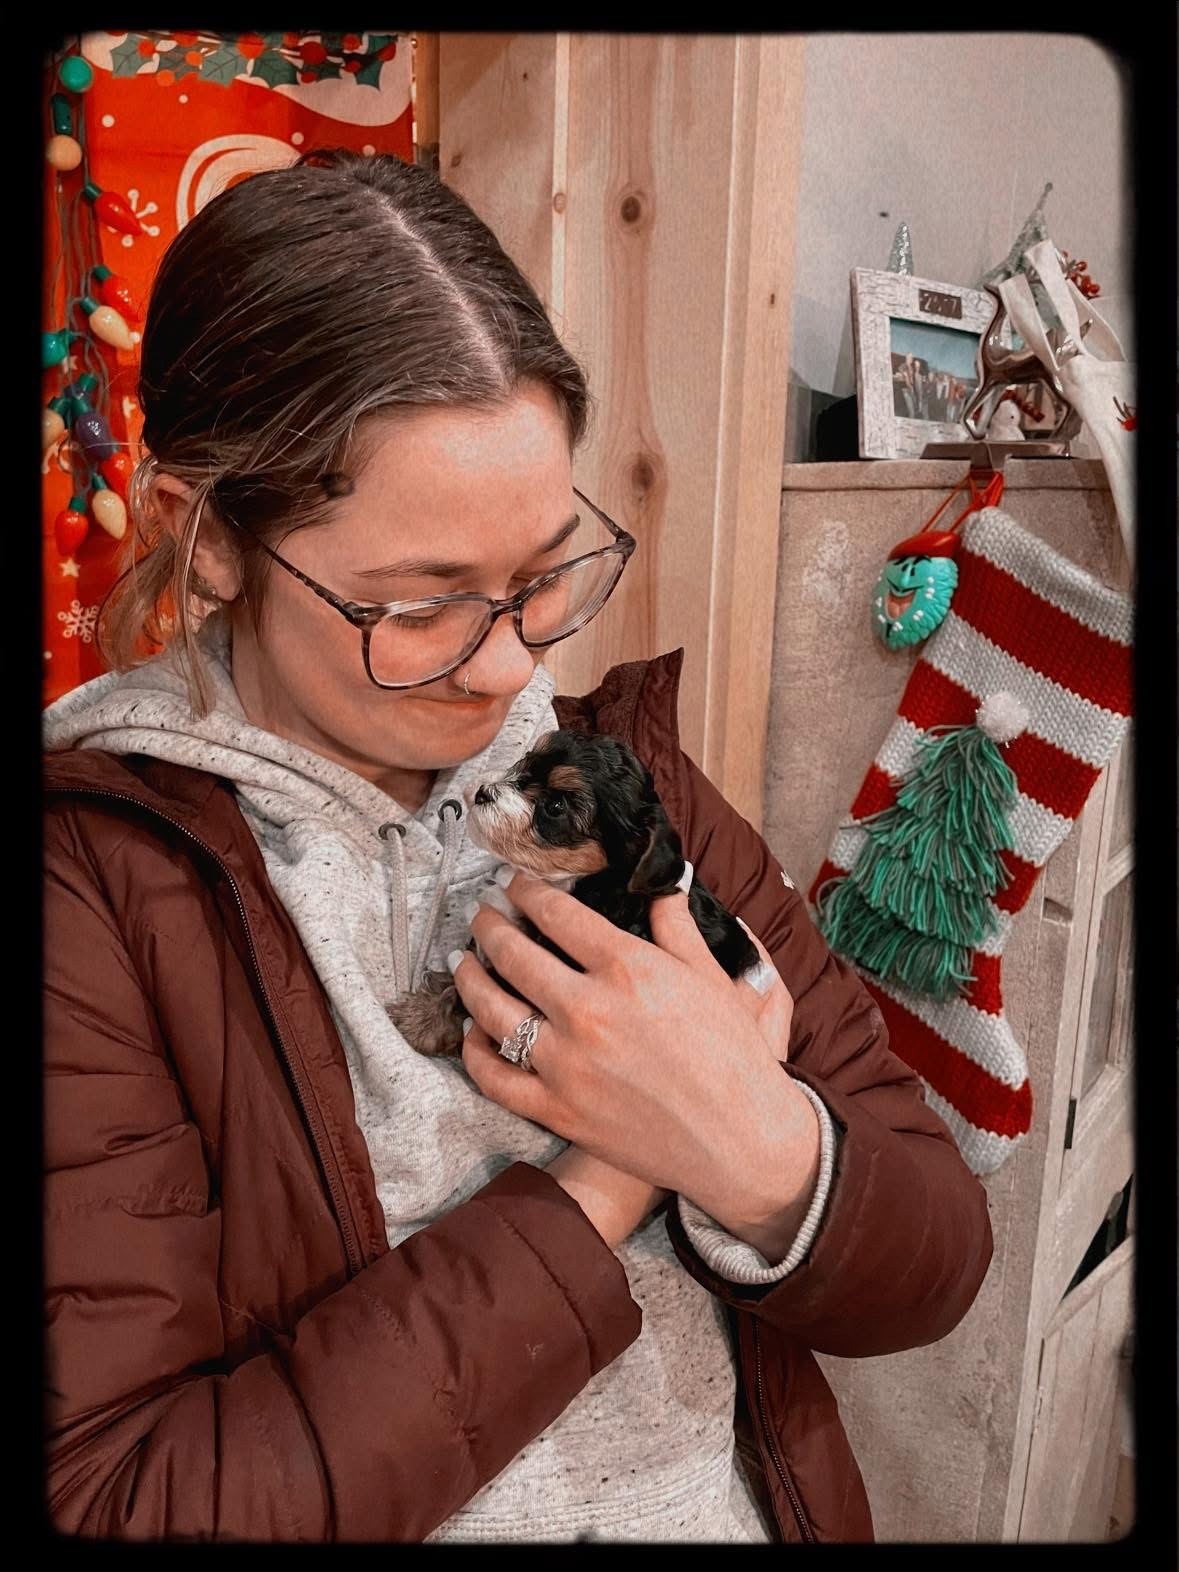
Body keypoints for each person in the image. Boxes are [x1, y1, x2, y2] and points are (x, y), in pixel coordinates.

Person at [42, 148, 993, 1543]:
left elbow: (937, 1251)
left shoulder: (620, 777)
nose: (504, 669)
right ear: (210, 538)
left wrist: (765, 1149)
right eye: (416, 604)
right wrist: (611, 1177)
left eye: (541, 576)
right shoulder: (96, 889)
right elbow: (120, 1495)